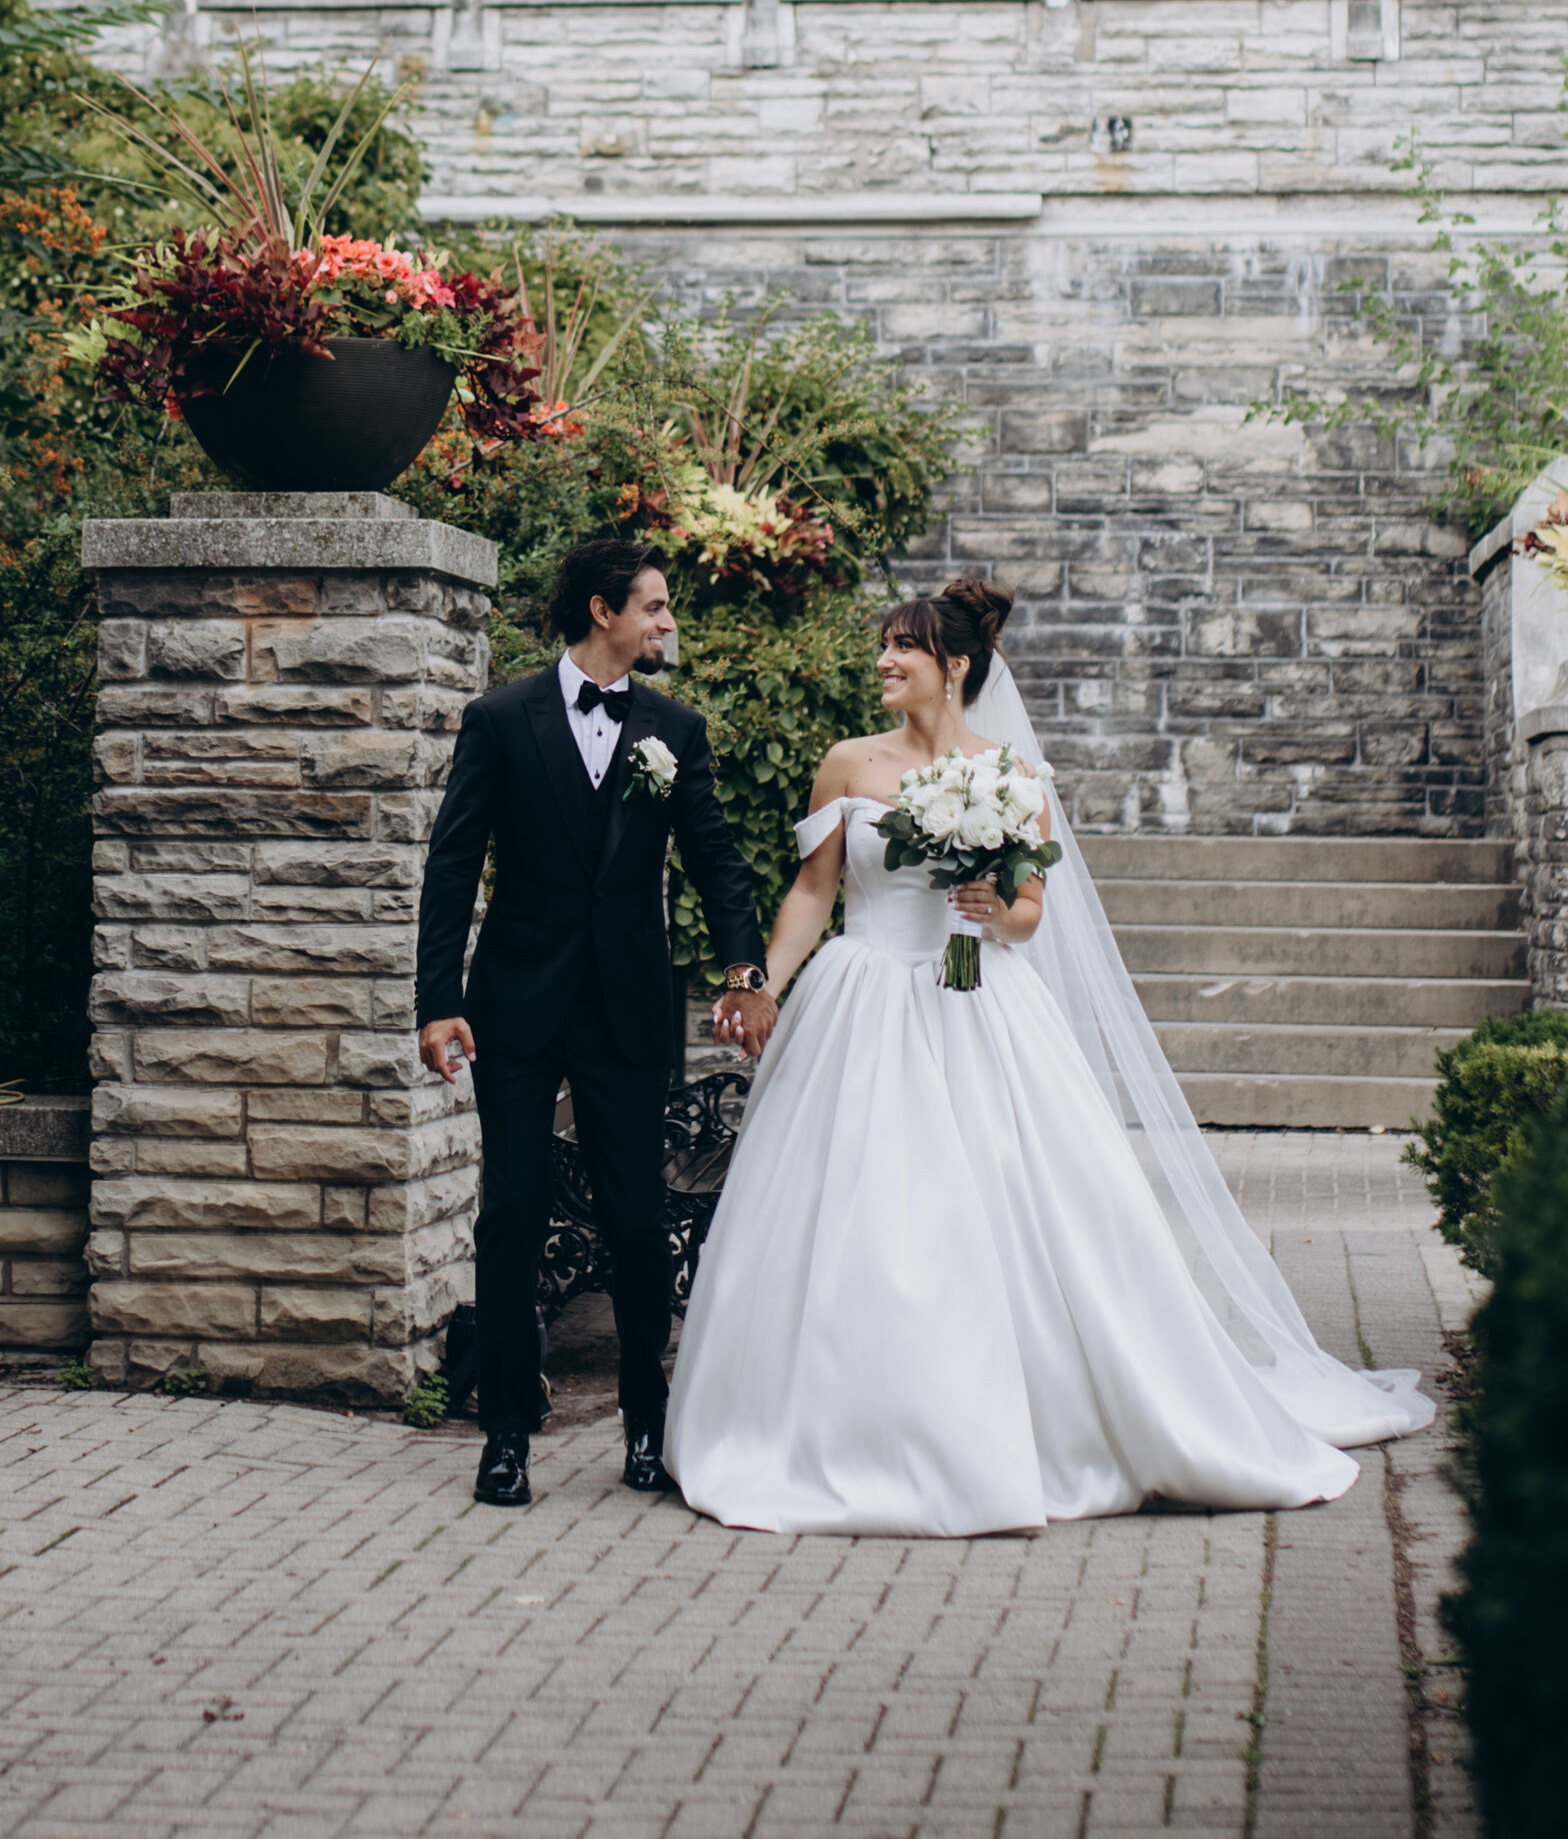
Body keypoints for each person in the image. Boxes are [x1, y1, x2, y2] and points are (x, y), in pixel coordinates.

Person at [664, 577, 1434, 1536]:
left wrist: (995, 910)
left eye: (903, 647)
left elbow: (1031, 913)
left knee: (1014, 1201)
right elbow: (814, 892)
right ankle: (835, 1420)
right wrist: (764, 984)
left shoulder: (1013, 777)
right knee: (851, 1202)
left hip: (977, 1002)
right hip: (861, 998)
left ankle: (1044, 1419)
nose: (884, 661)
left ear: (955, 665)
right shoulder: (848, 764)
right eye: (884, 645)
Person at [415, 536, 773, 1511]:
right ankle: (504, 1434)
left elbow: (715, 859)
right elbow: (453, 864)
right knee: (512, 1210)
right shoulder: (500, 719)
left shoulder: (674, 728)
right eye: (654, 606)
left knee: (637, 1218)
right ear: (603, 612)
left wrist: (744, 972)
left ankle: (647, 1423)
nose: (668, 622)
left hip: (627, 1008)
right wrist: (437, 1000)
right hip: (516, 1006)